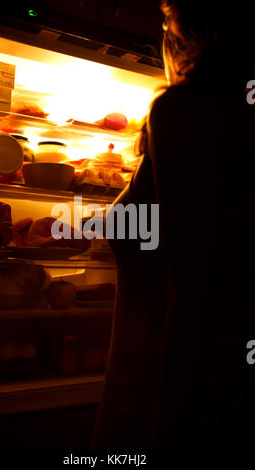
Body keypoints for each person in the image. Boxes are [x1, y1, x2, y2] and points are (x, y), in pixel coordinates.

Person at [92, 0, 255, 451]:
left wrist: (171, 431)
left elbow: (192, 296)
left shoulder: (184, 110)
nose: (163, 32)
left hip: (164, 385)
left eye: (167, 19)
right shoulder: (235, 109)